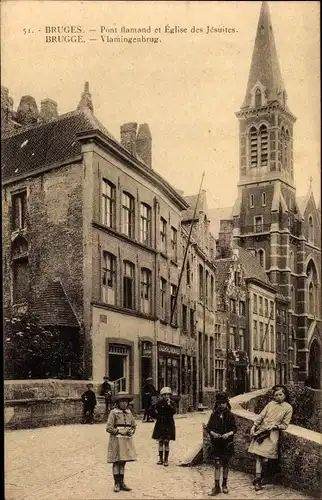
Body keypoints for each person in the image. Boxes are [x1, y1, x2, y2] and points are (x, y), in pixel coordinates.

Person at [248, 385, 293, 491]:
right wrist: (254, 426)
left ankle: (265, 477)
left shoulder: (288, 408)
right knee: (258, 456)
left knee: (267, 458)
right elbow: (261, 416)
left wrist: (275, 426)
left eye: (280, 395)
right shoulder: (270, 404)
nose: (278, 397)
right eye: (276, 395)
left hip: (272, 434)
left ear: (285, 395)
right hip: (261, 432)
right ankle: (258, 479)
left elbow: (285, 425)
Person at [204, 392, 237, 496]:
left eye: (224, 403)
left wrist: (228, 434)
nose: (222, 405)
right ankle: (216, 486)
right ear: (217, 404)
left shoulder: (230, 415)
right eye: (220, 403)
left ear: (227, 403)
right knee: (217, 464)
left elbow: (234, 429)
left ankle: (224, 484)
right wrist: (213, 433)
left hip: (227, 443)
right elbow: (209, 428)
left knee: (226, 464)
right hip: (217, 443)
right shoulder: (214, 415)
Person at [106, 391, 137, 493]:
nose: (124, 403)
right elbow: (109, 428)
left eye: (126, 401)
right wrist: (120, 431)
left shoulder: (129, 413)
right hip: (116, 439)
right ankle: (116, 483)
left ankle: (122, 482)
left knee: (123, 461)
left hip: (126, 440)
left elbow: (133, 425)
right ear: (118, 402)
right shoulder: (113, 412)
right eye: (122, 401)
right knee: (116, 461)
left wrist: (131, 431)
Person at [152, 386, 176, 466]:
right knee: (160, 441)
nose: (166, 396)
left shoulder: (172, 403)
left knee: (166, 442)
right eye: (164, 395)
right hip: (160, 423)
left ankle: (166, 459)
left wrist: (169, 405)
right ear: (162, 396)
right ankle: (160, 459)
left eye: (168, 394)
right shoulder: (159, 403)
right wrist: (157, 416)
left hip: (169, 423)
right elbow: (154, 413)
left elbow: (173, 412)